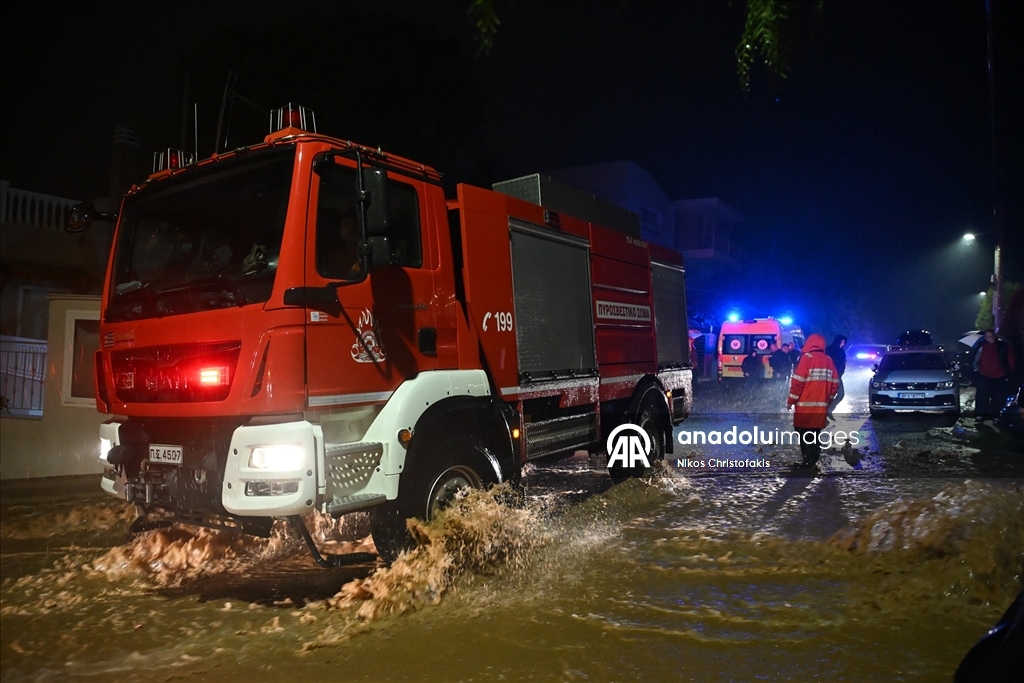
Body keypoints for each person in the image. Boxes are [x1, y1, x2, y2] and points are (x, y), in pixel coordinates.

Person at [787, 333, 840, 469]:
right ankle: (813, 460)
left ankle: (807, 462)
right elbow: (835, 384)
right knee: (815, 435)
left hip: (805, 407)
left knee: (803, 434)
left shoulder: (806, 358)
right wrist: (827, 400)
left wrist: (791, 400)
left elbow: (798, 382)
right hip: (820, 408)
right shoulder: (829, 360)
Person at [972, 329, 1016, 421]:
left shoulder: (1004, 346)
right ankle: (980, 414)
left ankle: (996, 416)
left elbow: (1011, 360)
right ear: (985, 338)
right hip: (983, 374)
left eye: (992, 336)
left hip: (1000, 375)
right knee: (982, 396)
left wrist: (1008, 373)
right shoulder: (981, 346)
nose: (991, 338)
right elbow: (975, 359)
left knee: (999, 397)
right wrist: (976, 372)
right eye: (988, 336)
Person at [325, 210, 363, 279]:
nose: (351, 229)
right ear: (340, 231)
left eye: (355, 225)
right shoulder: (336, 256)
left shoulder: (365, 252)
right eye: (346, 225)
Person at [825, 335, 847, 419]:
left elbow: (843, 363)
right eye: (841, 342)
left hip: (838, 376)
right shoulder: (829, 350)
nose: (842, 344)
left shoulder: (842, 352)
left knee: (840, 394)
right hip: (829, 376)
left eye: (844, 343)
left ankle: (829, 410)